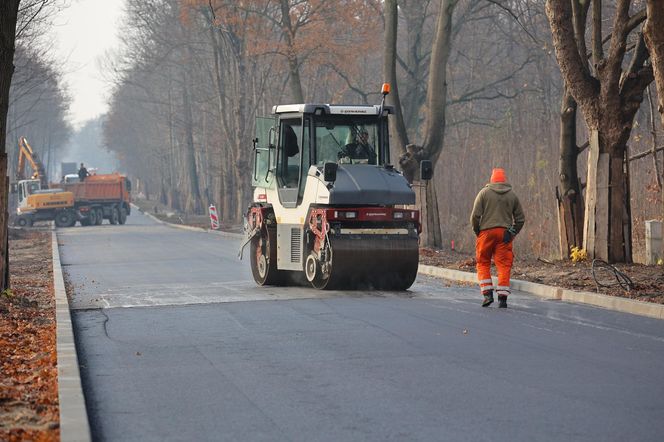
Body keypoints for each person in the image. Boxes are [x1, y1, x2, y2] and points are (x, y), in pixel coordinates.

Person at [470, 168, 525, 308]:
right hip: (504, 234)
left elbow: (475, 216)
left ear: (492, 179)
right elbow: (520, 219)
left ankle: (487, 295)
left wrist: (478, 231)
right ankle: (502, 298)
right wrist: (512, 232)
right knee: (504, 265)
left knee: (483, 263)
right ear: (504, 180)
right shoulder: (512, 195)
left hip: (486, 233)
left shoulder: (483, 193)